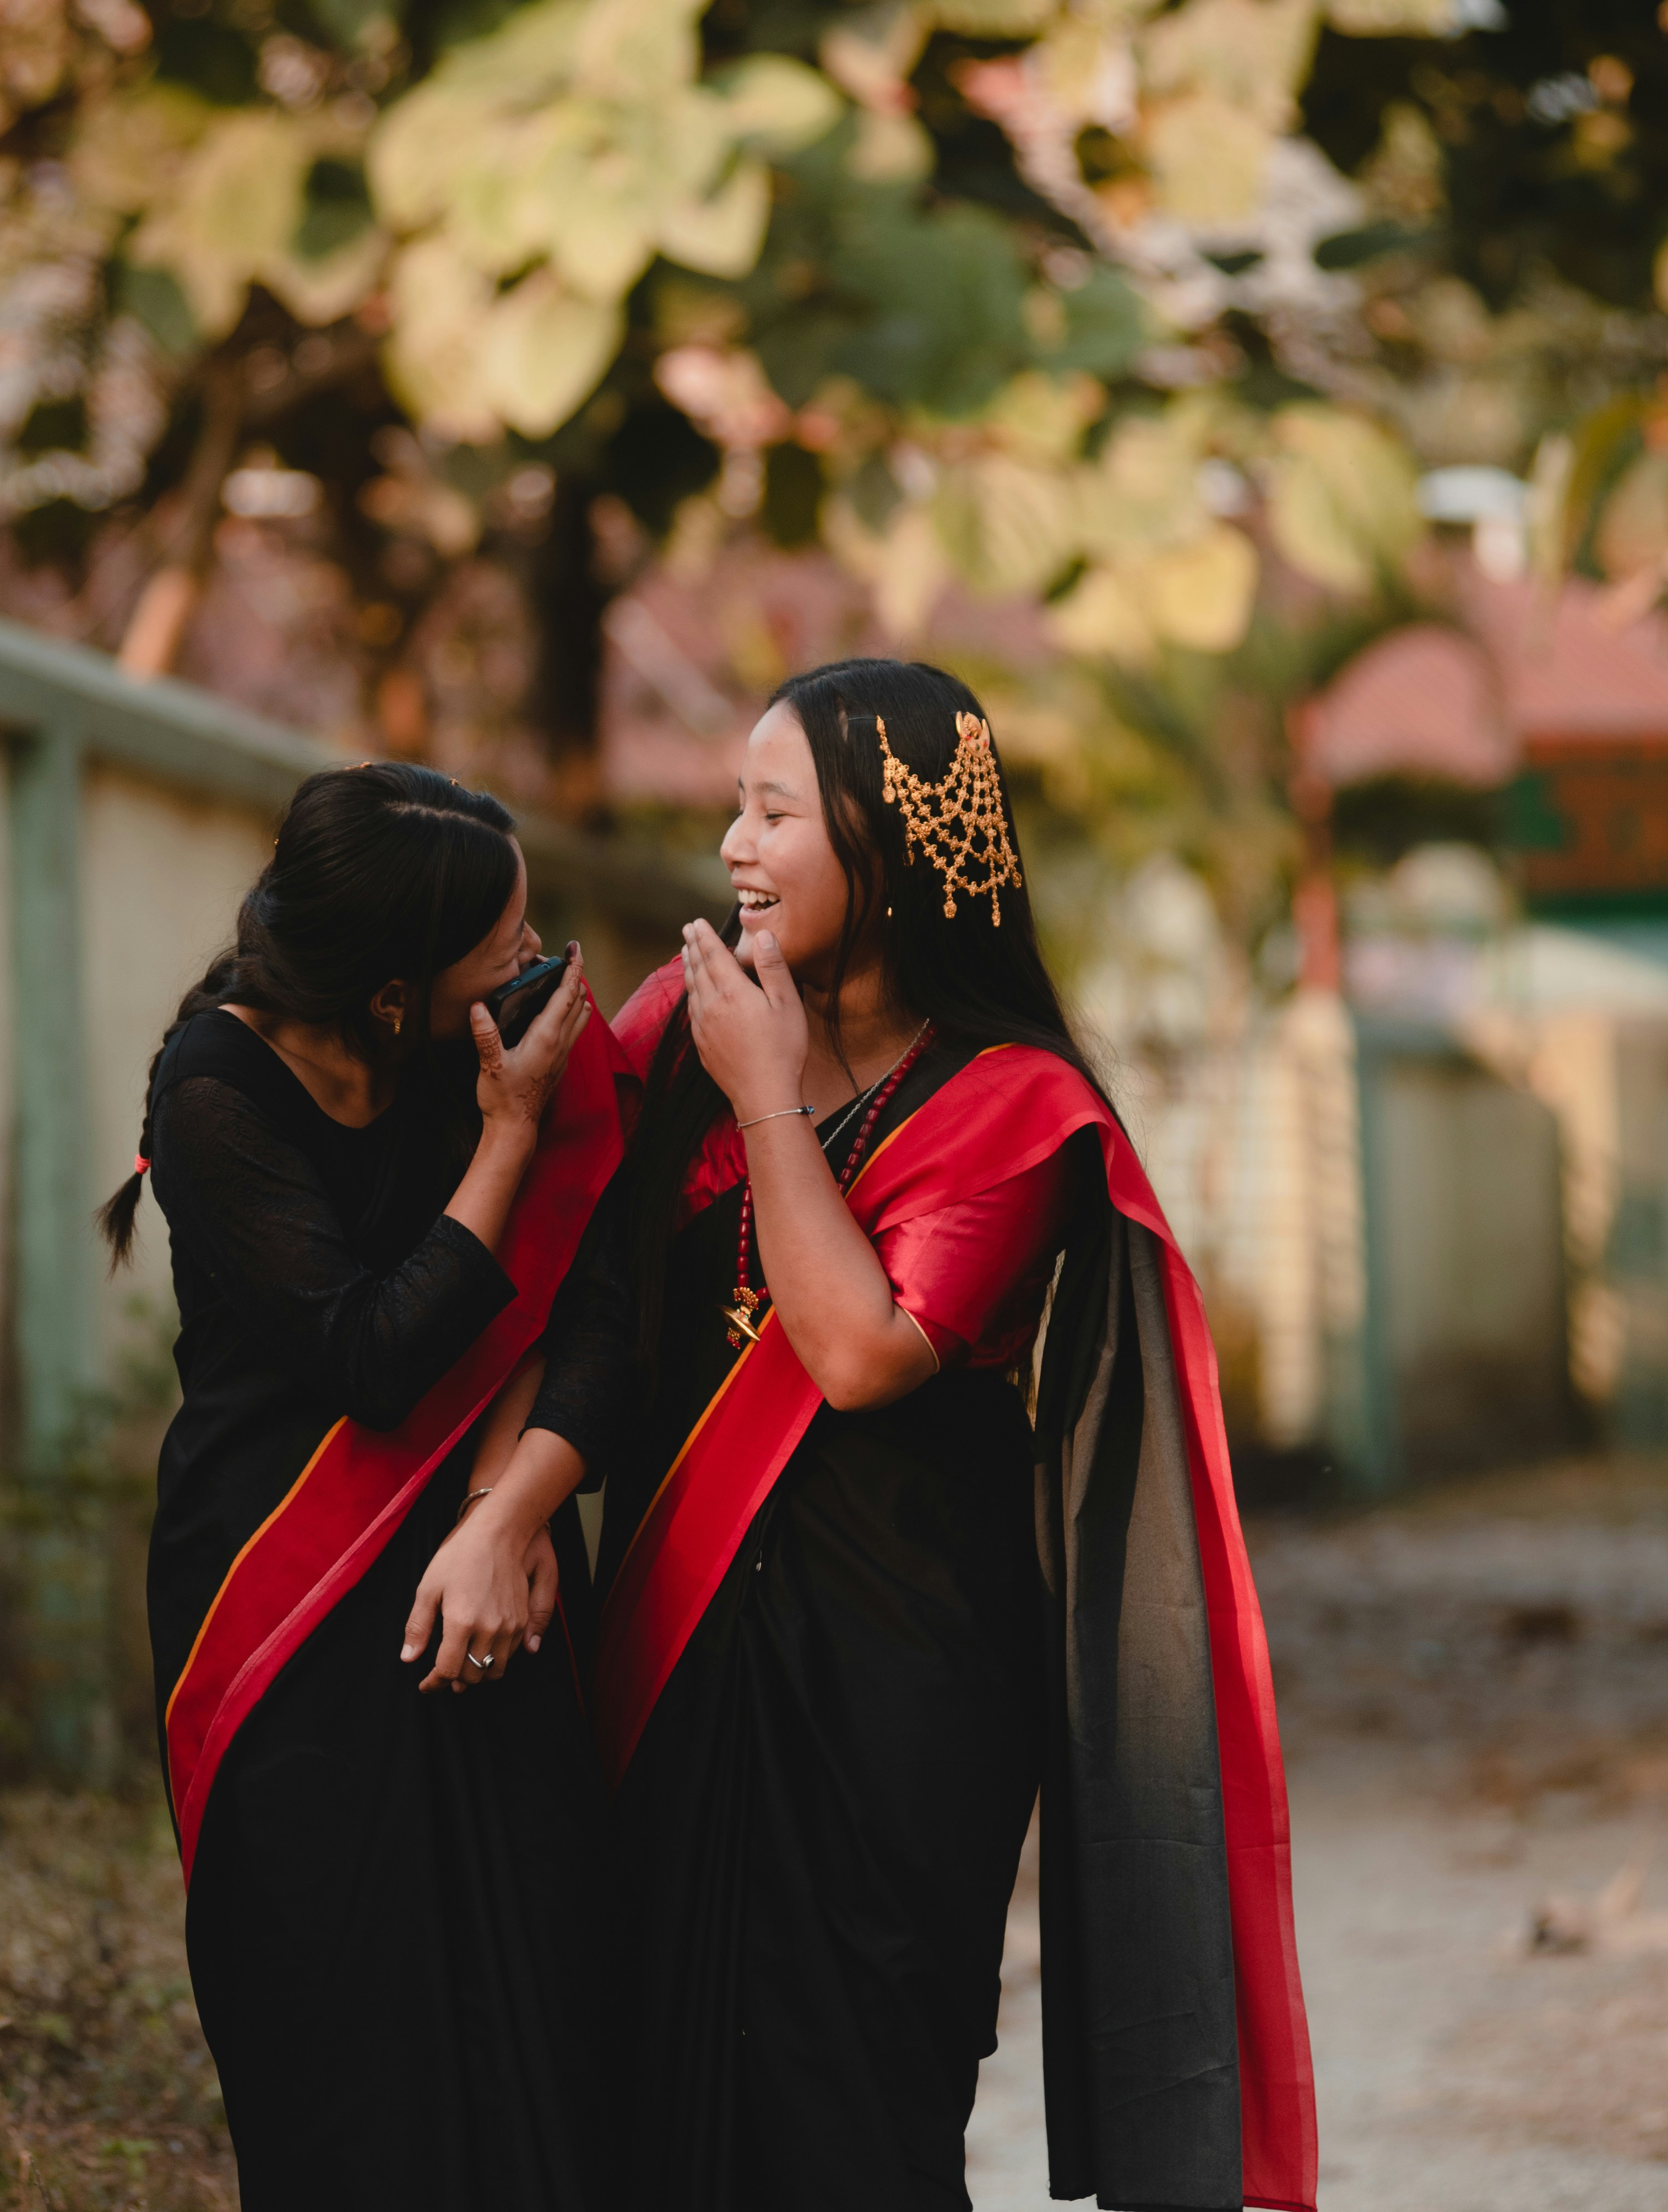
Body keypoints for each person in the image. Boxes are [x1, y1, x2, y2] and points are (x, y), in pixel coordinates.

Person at [471, 660, 1318, 2212]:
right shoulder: (689, 1020)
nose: (734, 843)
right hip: (674, 1630)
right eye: (736, 804)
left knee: (858, 2084)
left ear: (888, 847)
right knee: (654, 2074)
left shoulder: (1016, 1104)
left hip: (903, 1670)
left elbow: (859, 1352)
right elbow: (567, 1280)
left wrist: (765, 1102)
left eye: (775, 811)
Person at [96, 761, 624, 2212]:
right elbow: (372, 1357)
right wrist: (509, 1135)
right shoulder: (215, 1087)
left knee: (541, 2011)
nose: (536, 972)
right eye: (502, 953)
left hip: (492, 1577)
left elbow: (589, 1297)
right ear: (395, 993)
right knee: (340, 2038)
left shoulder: (485, 1037)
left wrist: (507, 1512)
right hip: (286, 1600)